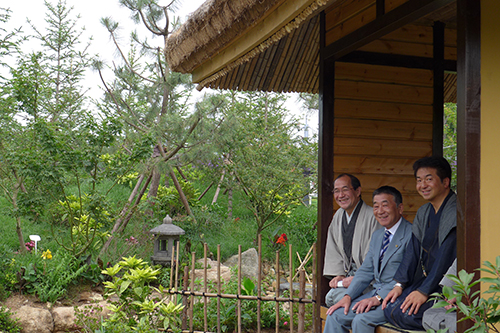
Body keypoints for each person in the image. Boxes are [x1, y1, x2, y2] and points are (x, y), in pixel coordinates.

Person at [323, 186, 413, 333]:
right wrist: (348, 296)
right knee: (335, 315)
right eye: (376, 206)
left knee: (361, 319)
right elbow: (365, 271)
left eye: (385, 205)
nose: (380, 211)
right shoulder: (378, 235)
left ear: (400, 208)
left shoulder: (412, 234)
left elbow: (407, 276)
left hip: (397, 297)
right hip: (374, 293)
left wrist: (378, 297)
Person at [382, 156, 457, 330]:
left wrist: (424, 292)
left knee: (406, 313)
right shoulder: (424, 211)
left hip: (444, 285)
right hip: (427, 280)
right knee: (390, 308)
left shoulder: (455, 212)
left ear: (445, 182)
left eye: (429, 179)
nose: (422, 185)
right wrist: (399, 284)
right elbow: (413, 251)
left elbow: (445, 259)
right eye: (419, 180)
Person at [324, 174, 381, 306]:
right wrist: (339, 275)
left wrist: (358, 279)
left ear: (357, 191)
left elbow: (375, 257)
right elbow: (334, 250)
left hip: (367, 280)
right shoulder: (338, 216)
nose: (340, 195)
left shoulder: (372, 217)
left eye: (345, 189)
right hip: (348, 276)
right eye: (336, 191)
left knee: (334, 299)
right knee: (330, 298)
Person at [422, 259, 457, 333]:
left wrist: (461, 298)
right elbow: (448, 288)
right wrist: (451, 295)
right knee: (428, 316)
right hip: (453, 307)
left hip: (471, 308)